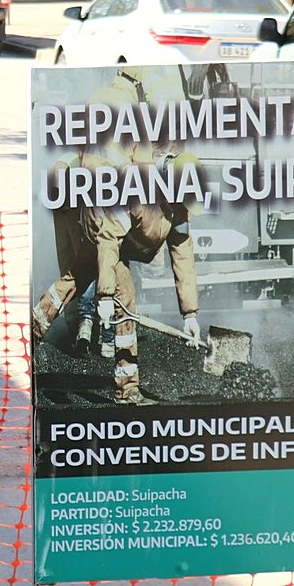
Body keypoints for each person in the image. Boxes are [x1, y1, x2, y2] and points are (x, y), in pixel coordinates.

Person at [32, 67, 202, 405]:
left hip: (99, 212)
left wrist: (191, 315)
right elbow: (110, 237)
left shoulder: (178, 206)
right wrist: (106, 296)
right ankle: (127, 392)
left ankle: (32, 329)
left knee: (74, 277)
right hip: (95, 214)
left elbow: (183, 256)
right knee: (125, 298)